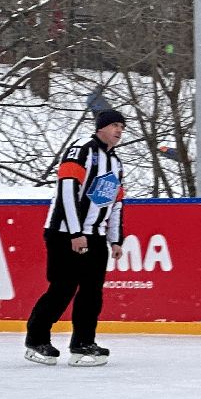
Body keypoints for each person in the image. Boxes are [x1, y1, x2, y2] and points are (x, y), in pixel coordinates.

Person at [24, 109, 127, 367]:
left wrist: (115, 240)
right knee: (62, 288)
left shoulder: (116, 163)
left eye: (122, 127)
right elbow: (67, 191)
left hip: (95, 236)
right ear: (101, 127)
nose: (119, 130)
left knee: (92, 292)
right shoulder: (82, 149)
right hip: (64, 233)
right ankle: (36, 340)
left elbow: (115, 203)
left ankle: (83, 342)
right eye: (114, 125)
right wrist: (75, 232)